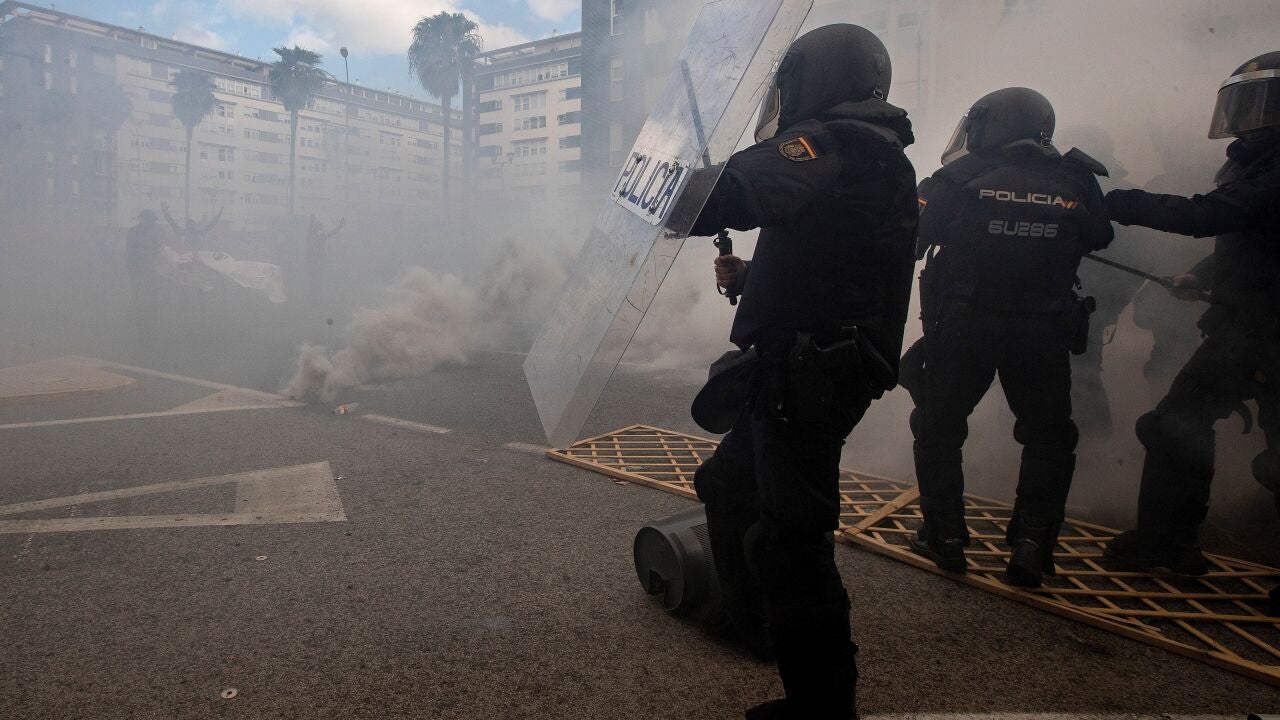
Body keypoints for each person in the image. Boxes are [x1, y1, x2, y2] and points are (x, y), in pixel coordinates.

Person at [687, 24, 919, 719]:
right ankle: (759, 623)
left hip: (809, 375)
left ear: (814, 79)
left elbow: (735, 194)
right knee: (726, 485)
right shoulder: (870, 154)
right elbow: (839, 264)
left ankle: (821, 705)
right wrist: (757, 275)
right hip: (804, 363)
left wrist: (680, 183)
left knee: (793, 540)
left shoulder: (839, 142)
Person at [907, 88, 1113, 588]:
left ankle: (947, 537)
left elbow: (911, 238)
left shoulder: (957, 177)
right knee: (1049, 436)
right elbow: (1099, 235)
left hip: (964, 329)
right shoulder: (1076, 176)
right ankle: (1032, 544)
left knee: (939, 427)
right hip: (1042, 333)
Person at [1102, 52, 1280, 578]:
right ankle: (1167, 545)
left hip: (1269, 332)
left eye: (1261, 104)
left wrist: (1118, 201)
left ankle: (1168, 543)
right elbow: (1251, 238)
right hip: (1246, 327)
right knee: (1173, 423)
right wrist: (1202, 277)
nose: (1249, 117)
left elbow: (1212, 214)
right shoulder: (1260, 164)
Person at [125, 209, 164, 352]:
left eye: (153, 221)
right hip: (136, 267)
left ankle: (151, 313)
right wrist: (146, 251)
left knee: (151, 290)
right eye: (150, 220)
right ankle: (138, 315)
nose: (152, 223)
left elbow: (158, 248)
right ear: (143, 219)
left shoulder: (154, 232)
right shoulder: (133, 232)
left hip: (149, 267)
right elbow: (132, 249)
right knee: (137, 291)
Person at [304, 214, 345, 304]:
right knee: (316, 280)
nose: (319, 228)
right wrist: (340, 226)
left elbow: (331, 232)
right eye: (318, 227)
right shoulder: (316, 236)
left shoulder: (314, 236)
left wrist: (340, 226)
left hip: (315, 261)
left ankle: (313, 298)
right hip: (315, 261)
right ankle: (313, 298)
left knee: (316, 280)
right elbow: (332, 232)